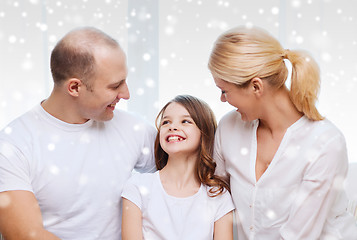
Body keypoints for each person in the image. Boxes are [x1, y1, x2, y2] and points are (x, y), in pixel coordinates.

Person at [0, 27, 156, 240]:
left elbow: (190, 173)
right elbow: (25, 234)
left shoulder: (134, 129)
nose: (126, 94)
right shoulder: (13, 145)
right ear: (74, 87)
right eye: (115, 86)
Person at [208, 26, 357, 239]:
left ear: (256, 87)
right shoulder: (228, 128)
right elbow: (216, 201)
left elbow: (299, 235)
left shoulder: (325, 143)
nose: (222, 100)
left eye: (224, 91)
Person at [121, 95, 235, 240]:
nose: (172, 127)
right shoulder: (137, 187)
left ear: (204, 134)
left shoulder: (218, 195)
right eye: (166, 122)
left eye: (185, 121)